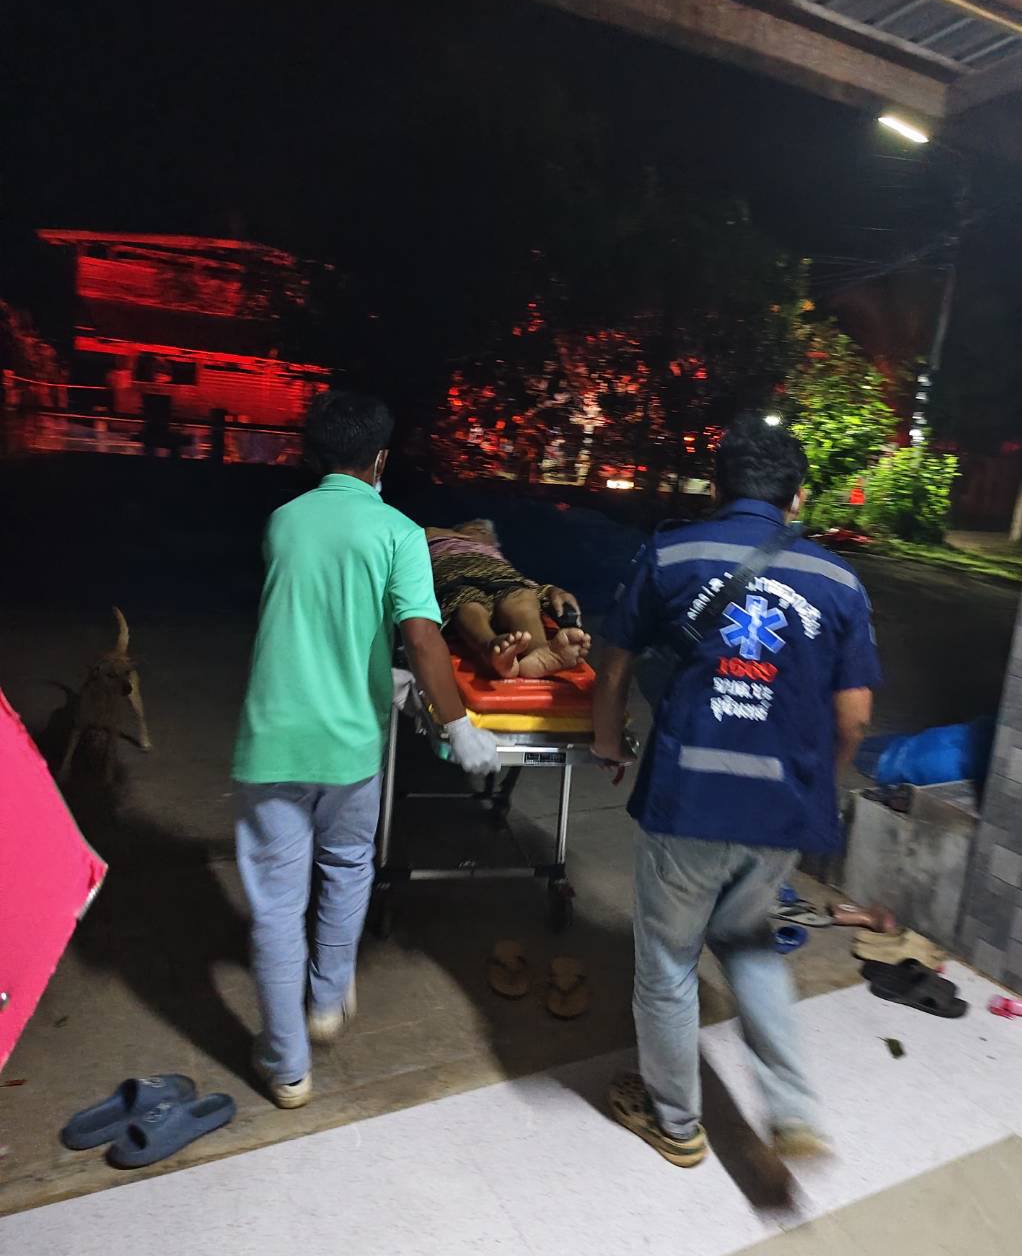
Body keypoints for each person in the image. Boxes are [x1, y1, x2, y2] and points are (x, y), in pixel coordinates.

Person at [592, 413, 879, 1168]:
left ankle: (676, 1122)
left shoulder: (671, 552)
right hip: (780, 812)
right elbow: (854, 716)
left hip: (687, 801)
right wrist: (814, 786)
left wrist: (606, 739)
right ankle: (794, 1112)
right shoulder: (840, 581)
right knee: (750, 943)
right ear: (798, 496)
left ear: (716, 489)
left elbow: (614, 664)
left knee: (667, 961)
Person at [233, 391, 500, 1110]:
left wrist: (384, 669)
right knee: (349, 863)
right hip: (350, 743)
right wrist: (459, 726)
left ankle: (287, 1068)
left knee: (276, 906)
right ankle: (327, 1000)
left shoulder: (283, 521)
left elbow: (314, 617)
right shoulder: (400, 532)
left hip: (272, 740)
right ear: (381, 459)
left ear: (313, 453)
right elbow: (422, 636)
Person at [426, 520, 591, 678]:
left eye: (484, 530)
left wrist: (552, 591)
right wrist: (453, 535)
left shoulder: (493, 553)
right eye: (474, 526)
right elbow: (424, 533)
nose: (480, 530)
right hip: (453, 573)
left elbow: (527, 584)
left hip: (499, 574)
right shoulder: (437, 538)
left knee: (523, 597)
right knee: (467, 603)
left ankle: (540, 652)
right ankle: (491, 648)